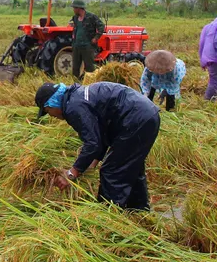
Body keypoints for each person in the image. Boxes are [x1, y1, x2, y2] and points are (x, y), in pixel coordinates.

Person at [39, 81, 160, 211]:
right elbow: (100, 134)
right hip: (146, 114)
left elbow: (92, 143)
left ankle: (109, 215)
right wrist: (92, 163)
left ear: (53, 103)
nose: (51, 115)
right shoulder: (76, 97)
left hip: (135, 118)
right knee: (130, 167)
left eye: (48, 110)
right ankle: (138, 211)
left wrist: (71, 173)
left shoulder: (73, 107)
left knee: (111, 172)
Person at [69, 0, 105, 81]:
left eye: (74, 8)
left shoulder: (91, 17)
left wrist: (96, 38)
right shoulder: (75, 18)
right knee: (75, 67)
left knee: (89, 67)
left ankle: (90, 83)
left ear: (79, 8)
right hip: (77, 45)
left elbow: (101, 26)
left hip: (88, 46)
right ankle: (75, 83)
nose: (73, 10)